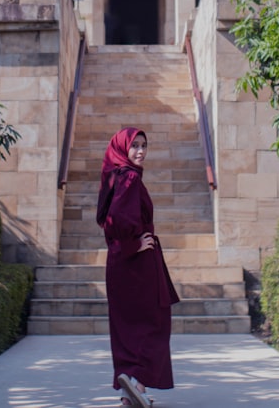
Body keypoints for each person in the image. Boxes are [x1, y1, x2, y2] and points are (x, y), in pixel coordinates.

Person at [96, 127, 179, 407]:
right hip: (136, 264)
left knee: (127, 328)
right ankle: (135, 381)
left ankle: (130, 388)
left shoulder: (115, 176)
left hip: (119, 263)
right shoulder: (129, 177)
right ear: (123, 149)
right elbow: (117, 219)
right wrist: (135, 244)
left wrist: (127, 246)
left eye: (144, 145)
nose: (141, 151)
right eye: (135, 146)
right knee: (154, 323)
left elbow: (105, 218)